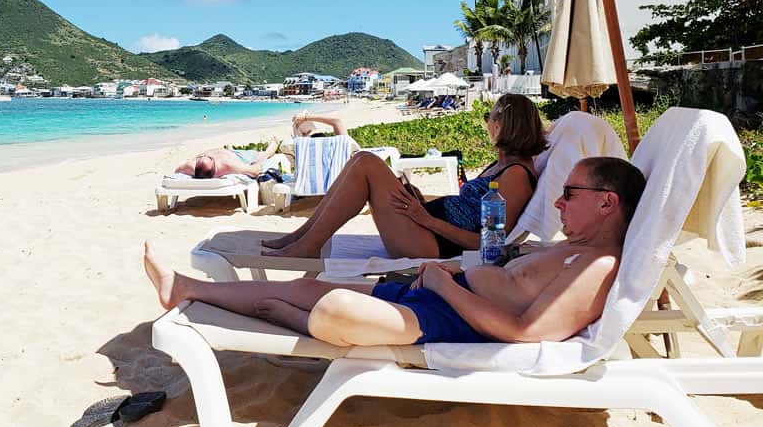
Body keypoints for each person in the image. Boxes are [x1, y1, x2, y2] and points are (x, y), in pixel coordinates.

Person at [145, 156, 645, 347]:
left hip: (446, 321)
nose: (557, 201)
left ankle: (296, 316)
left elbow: (527, 331)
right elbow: (503, 270)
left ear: (607, 202)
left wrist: (446, 281)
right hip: (432, 288)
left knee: (334, 307)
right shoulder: (565, 250)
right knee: (305, 286)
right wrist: (443, 270)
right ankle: (187, 288)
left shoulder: (599, 265)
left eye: (570, 194)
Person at [262, 93, 547, 260]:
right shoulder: (501, 167)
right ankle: (302, 237)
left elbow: (489, 243)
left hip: (432, 245)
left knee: (366, 163)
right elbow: (468, 211)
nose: (488, 123)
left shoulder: (516, 177)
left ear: (502, 125)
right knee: (362, 159)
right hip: (424, 229)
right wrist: (422, 203)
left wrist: (426, 219)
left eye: (490, 117)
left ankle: (308, 245)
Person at [175, 137, 281, 179]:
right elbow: (255, 171)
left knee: (229, 151)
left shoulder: (190, 166)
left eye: (203, 157)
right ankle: (273, 144)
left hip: (228, 154)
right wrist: (258, 161)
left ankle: (230, 149)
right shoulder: (228, 165)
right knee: (263, 155)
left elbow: (176, 172)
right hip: (239, 157)